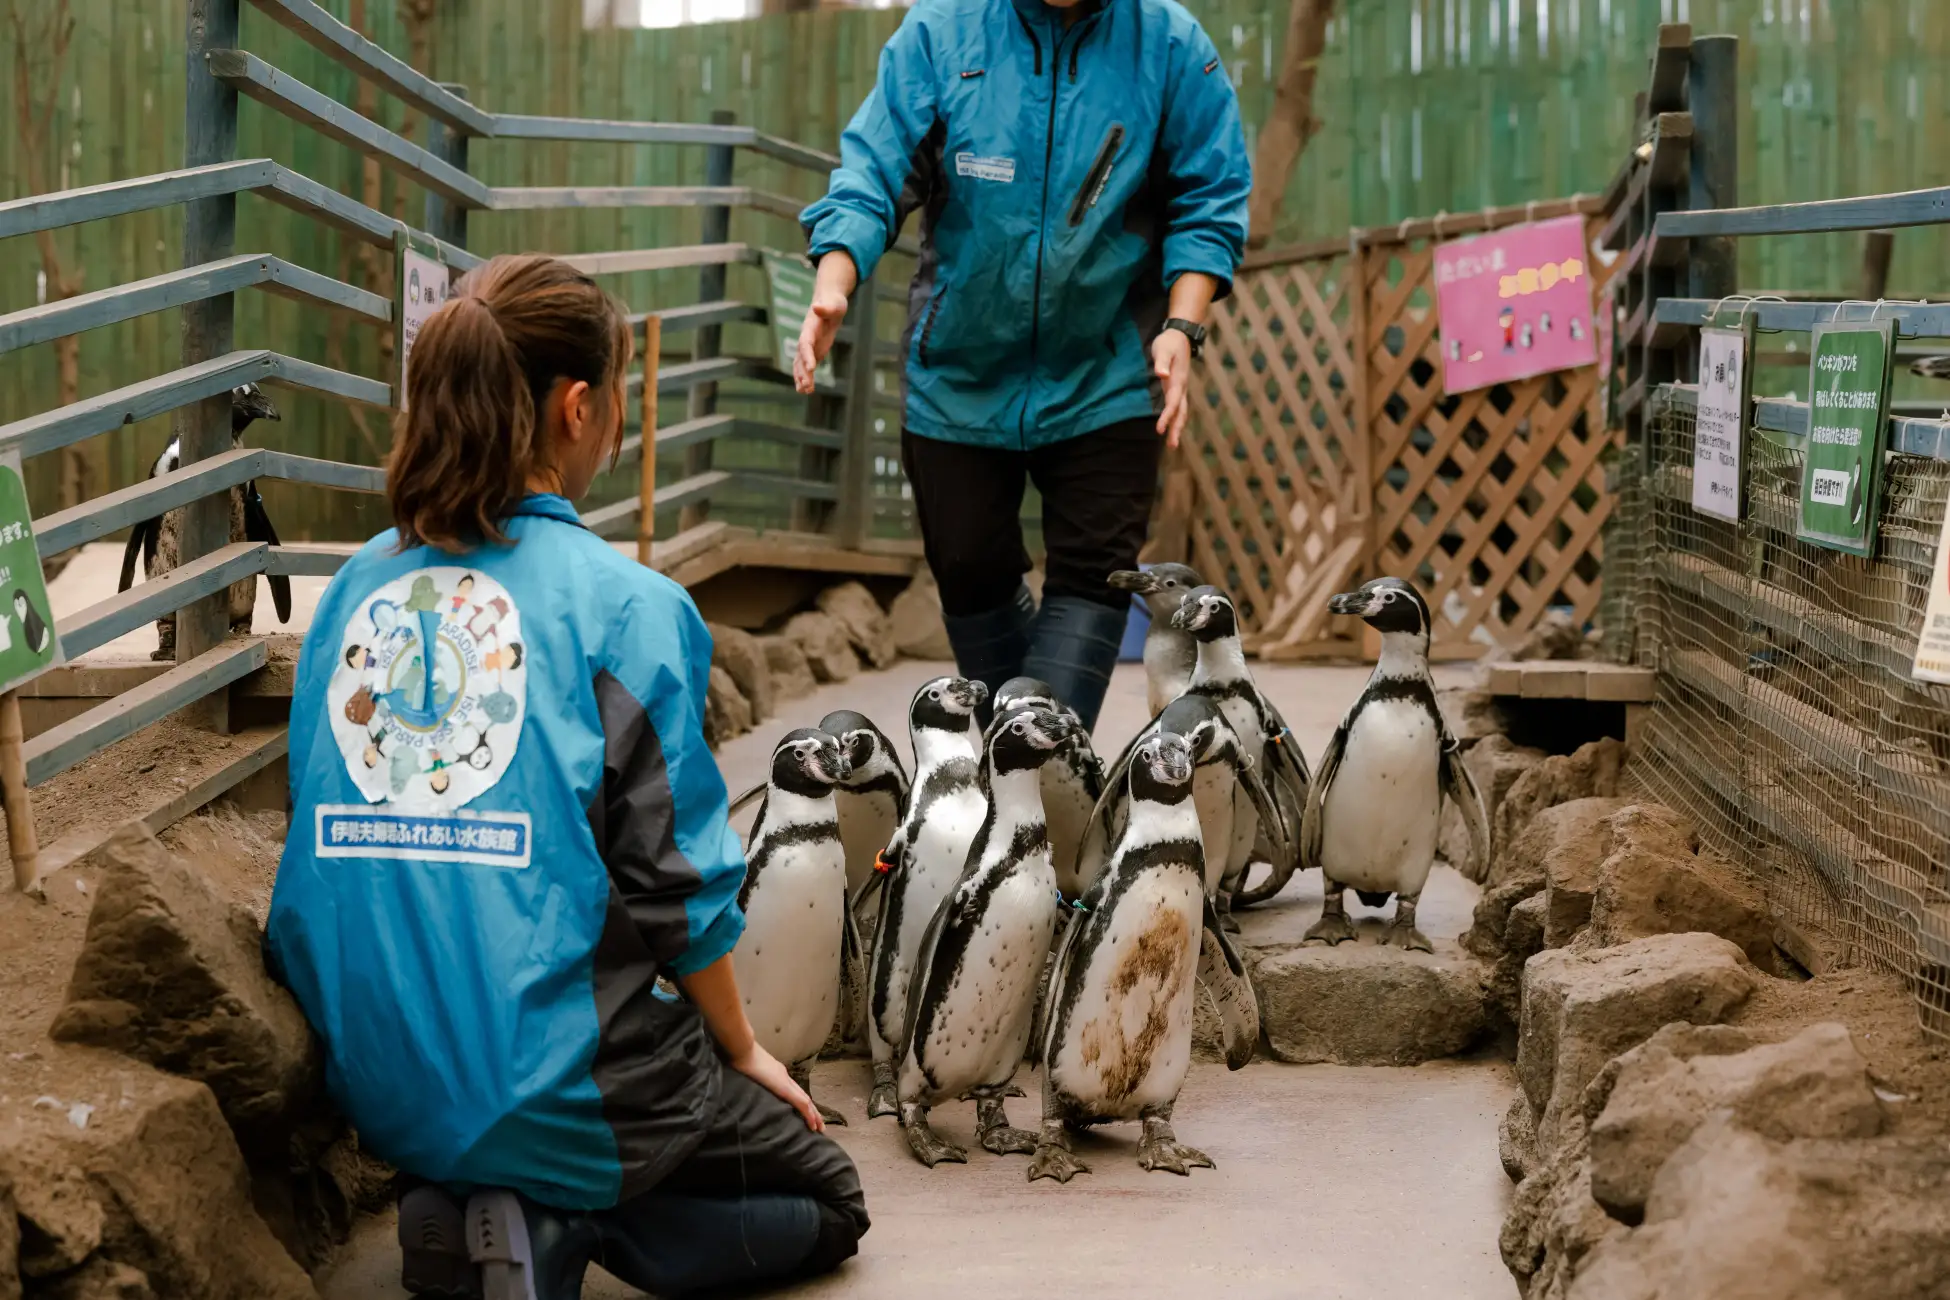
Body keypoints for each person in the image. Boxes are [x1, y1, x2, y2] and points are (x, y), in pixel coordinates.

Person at [267, 255, 868, 1300]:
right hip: (548, 1083)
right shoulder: (626, 607)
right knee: (828, 1198)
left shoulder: (355, 588)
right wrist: (739, 1048)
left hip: (377, 1078)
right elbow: (676, 881)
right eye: (620, 399)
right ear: (577, 406)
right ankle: (550, 1224)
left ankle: (460, 1204)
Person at [795, 0, 1251, 730]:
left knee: (1095, 572)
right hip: (958, 373)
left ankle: (1037, 788)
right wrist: (833, 284)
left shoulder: (1168, 44)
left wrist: (1181, 326)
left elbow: (1211, 197)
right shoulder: (941, 33)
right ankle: (1027, 768)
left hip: (1107, 369)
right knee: (969, 566)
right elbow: (872, 173)